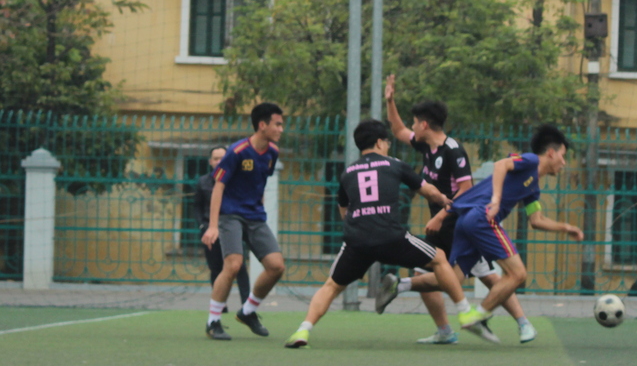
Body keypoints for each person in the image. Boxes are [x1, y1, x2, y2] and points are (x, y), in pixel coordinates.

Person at [285, 120, 480, 348]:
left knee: (331, 286)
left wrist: (360, 224)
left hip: (357, 241)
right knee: (439, 258)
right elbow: (428, 191)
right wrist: (445, 201)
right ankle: (465, 311)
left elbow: (344, 211)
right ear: (379, 142)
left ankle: (303, 330)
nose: (388, 145)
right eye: (387, 142)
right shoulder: (394, 164)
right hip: (391, 237)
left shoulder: (348, 172)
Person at [384, 75, 536, 344]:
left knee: (487, 276)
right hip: (440, 224)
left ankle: (523, 323)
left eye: (414, 122)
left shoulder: (453, 150)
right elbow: (398, 130)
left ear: (424, 124)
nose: (411, 127)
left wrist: (443, 214)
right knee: (425, 272)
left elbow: (466, 189)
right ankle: (444, 330)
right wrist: (390, 101)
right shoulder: (425, 145)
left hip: (459, 222)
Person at [403, 125, 584, 340]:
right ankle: (477, 316)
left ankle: (401, 285)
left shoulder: (533, 187)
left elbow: (536, 220)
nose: (564, 162)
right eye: (563, 156)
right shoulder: (531, 161)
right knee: (518, 274)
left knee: (453, 278)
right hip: (482, 218)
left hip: (467, 221)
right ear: (551, 153)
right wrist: (496, 200)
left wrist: (566, 228)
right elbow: (501, 165)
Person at [202, 102, 286, 341]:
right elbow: (219, 187)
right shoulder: (237, 151)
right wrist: (213, 226)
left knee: (276, 266)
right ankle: (213, 321)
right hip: (231, 215)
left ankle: (248, 311)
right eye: (277, 124)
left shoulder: (272, 152)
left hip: (255, 216)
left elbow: (260, 183)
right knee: (233, 265)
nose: (281, 129)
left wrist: (259, 209)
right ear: (262, 125)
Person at [194, 145, 250, 310]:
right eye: (216, 159)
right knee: (216, 268)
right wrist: (203, 226)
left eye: (222, 158)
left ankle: (247, 306)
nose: (219, 162)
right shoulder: (203, 182)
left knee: (239, 267)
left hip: (232, 230)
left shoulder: (237, 181)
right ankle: (220, 304)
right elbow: (196, 206)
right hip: (211, 232)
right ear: (210, 161)